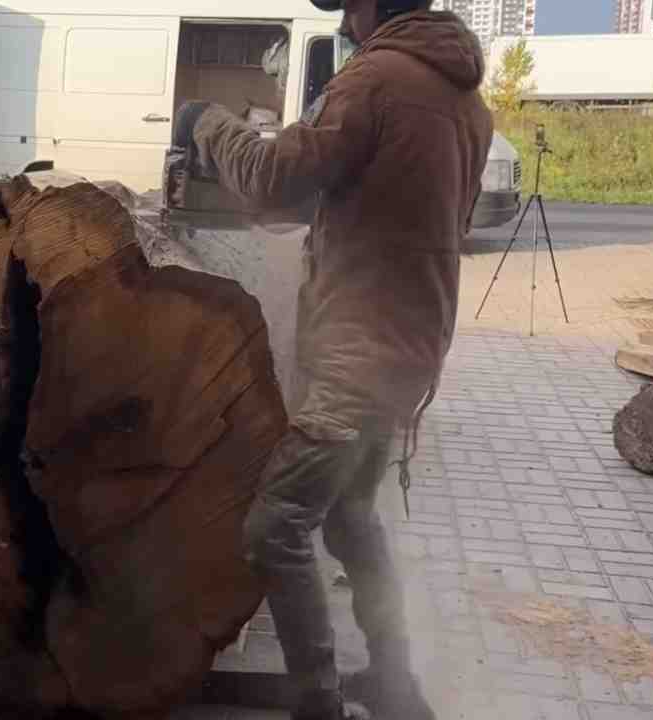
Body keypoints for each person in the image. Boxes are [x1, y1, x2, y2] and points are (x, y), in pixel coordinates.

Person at [173, 1, 493, 718]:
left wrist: (206, 123)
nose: (347, 17)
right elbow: (388, 208)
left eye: (350, 3)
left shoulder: (375, 79)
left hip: (361, 353)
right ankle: (394, 679)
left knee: (275, 527)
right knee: (349, 517)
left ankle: (318, 701)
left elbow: (272, 178)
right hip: (411, 346)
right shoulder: (468, 102)